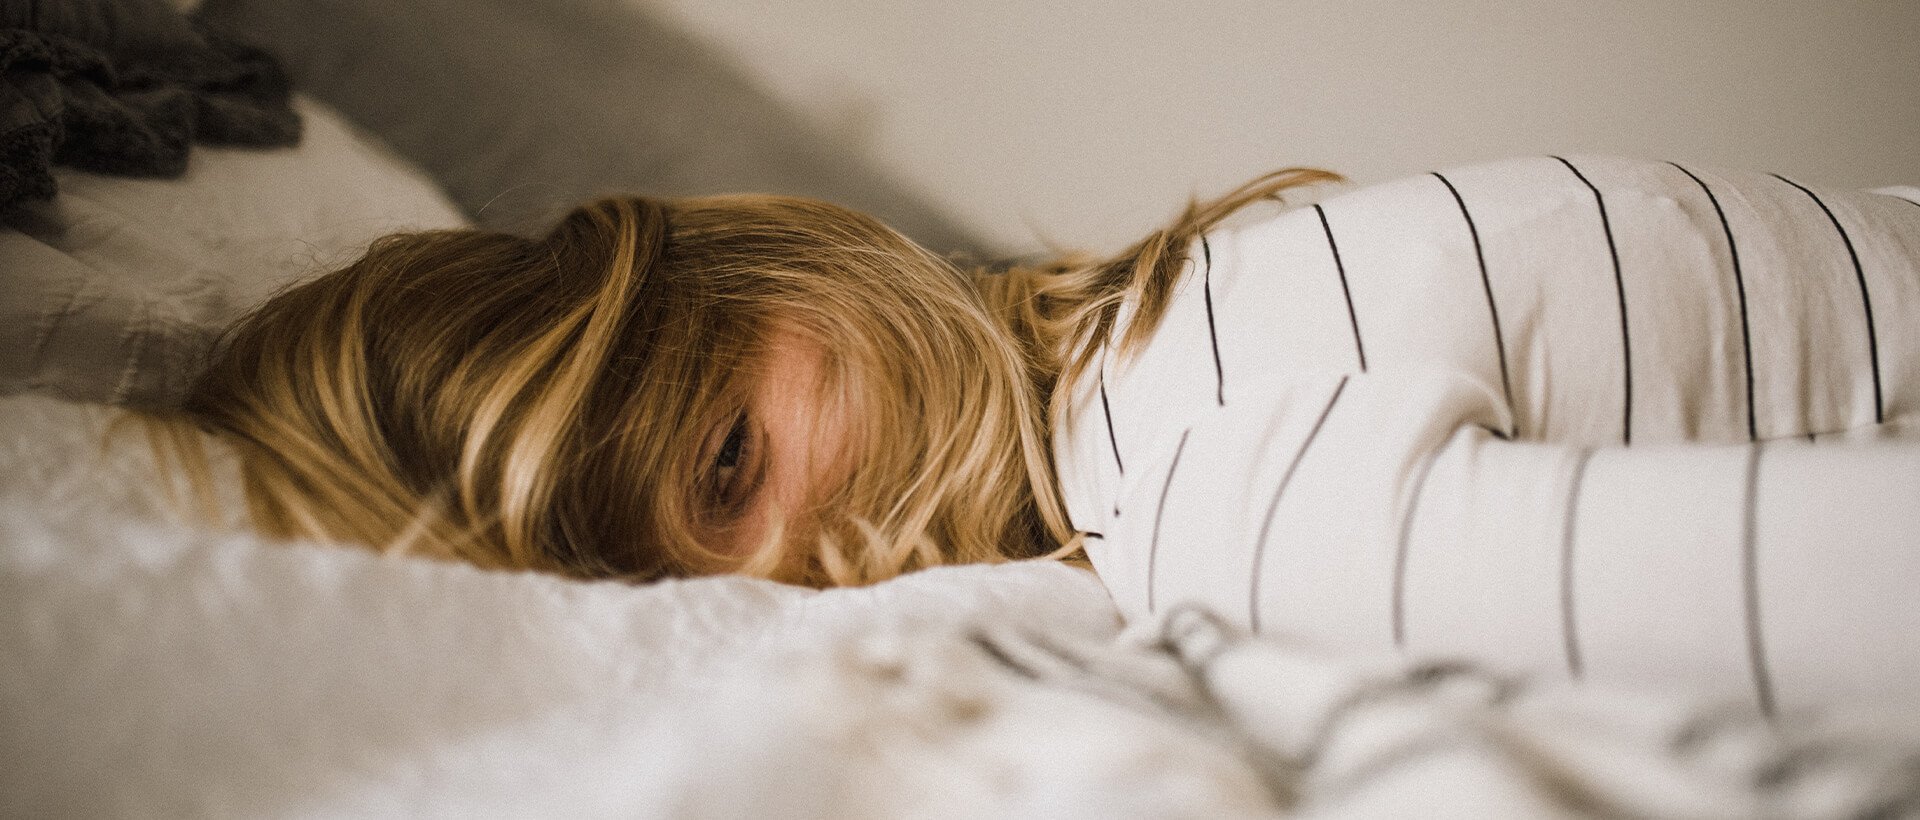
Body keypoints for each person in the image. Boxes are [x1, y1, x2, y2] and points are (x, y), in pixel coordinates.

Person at [148, 157, 1920, 709]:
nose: (794, 587)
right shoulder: (1184, 319)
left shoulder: (1216, 491)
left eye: (724, 469)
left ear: (783, 263)